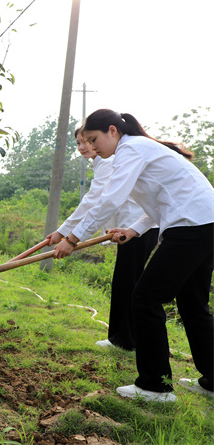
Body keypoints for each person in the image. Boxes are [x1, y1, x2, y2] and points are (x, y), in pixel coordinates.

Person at [53, 109, 213, 403]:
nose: (92, 146)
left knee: (145, 298)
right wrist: (134, 229)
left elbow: (110, 199)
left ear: (112, 131)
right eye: (86, 140)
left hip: (191, 227)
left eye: (94, 139)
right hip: (204, 223)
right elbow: (158, 202)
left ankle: (155, 388)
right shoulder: (137, 150)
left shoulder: (131, 149)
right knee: (193, 304)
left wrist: (72, 239)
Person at [46, 127, 158, 350]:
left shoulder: (109, 162)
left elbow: (94, 202)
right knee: (125, 282)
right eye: (79, 143)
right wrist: (64, 232)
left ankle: (125, 340)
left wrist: (67, 235)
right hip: (130, 228)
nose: (83, 147)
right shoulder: (103, 163)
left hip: (137, 227)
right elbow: (94, 202)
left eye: (88, 141)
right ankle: (123, 338)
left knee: (128, 283)